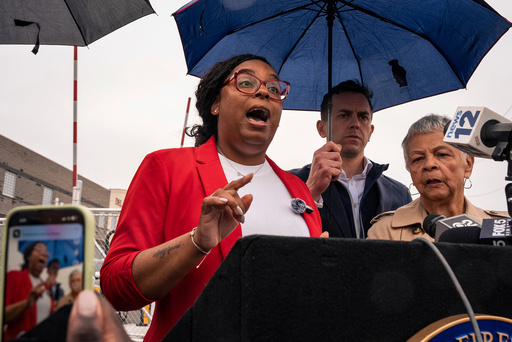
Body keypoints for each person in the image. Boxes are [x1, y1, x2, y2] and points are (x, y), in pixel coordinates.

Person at [100, 54, 324, 342]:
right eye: (246, 82)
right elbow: (115, 288)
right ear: (215, 104)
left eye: (273, 88)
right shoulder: (165, 168)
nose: (263, 92)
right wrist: (196, 243)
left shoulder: (299, 190)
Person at [290, 80, 411, 239]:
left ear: (371, 131)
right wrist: (310, 192)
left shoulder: (399, 194)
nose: (355, 124)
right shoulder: (290, 183)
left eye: (363, 117)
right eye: (344, 115)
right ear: (321, 128)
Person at [367, 114, 508, 241]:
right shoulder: (386, 232)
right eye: (418, 159)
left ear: (468, 164)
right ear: (409, 170)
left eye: (442, 154)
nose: (429, 165)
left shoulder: (501, 228)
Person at [4, 241, 54, 340]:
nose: (44, 254)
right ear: (29, 256)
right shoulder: (13, 277)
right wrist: (27, 303)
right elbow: (3, 316)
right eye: (39, 249)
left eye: (46, 253)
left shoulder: (46, 287)